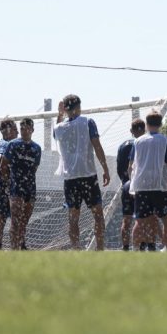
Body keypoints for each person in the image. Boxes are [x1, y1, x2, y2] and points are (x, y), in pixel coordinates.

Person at [53, 94, 111, 250]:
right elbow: (97, 146)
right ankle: (99, 248)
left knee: (73, 217)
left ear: (65, 109)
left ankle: (76, 248)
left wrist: (59, 115)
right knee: (98, 215)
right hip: (88, 176)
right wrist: (105, 168)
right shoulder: (87, 122)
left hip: (70, 179)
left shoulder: (59, 127)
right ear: (79, 107)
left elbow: (55, 133)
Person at [129, 111, 167, 252]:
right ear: (160, 124)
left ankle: (134, 251)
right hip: (161, 187)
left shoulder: (137, 142)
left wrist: (133, 187)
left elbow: (131, 168)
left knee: (140, 222)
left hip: (141, 187)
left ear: (146, 125)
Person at [0, 118, 41, 250]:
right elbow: (3, 165)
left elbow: (34, 168)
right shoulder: (13, 144)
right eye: (22, 128)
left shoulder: (36, 148)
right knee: (15, 221)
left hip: (30, 188)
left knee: (24, 222)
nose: (25, 131)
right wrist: (8, 182)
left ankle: (21, 245)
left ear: (32, 130)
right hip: (16, 187)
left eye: (27, 129)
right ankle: (14, 248)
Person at [116, 119, 145, 251]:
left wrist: (125, 182)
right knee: (143, 219)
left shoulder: (122, 145)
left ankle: (126, 248)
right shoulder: (144, 144)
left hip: (127, 185)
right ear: (144, 130)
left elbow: (119, 167)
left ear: (131, 131)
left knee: (126, 220)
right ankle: (141, 247)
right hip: (140, 186)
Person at [0, 119, 18, 250]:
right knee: (5, 220)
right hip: (3, 187)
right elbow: (0, 159)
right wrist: (7, 182)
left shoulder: (5, 144)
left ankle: (5, 248)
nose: (18, 131)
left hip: (1, 186)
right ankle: (7, 248)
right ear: (6, 131)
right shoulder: (4, 144)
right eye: (15, 129)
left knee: (6, 220)